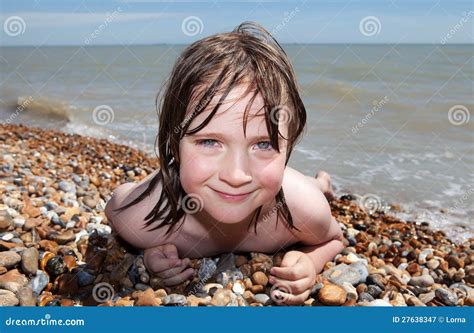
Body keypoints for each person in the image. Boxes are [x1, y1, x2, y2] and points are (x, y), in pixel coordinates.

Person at [105, 22, 344, 305]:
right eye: (209, 142)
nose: (236, 175)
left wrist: (310, 261)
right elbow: (114, 205)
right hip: (172, 185)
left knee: (313, 187)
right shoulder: (139, 219)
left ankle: (322, 181)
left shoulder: (302, 208)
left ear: (289, 145)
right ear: (175, 144)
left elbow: (334, 239)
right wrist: (148, 252)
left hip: (290, 188)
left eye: (263, 144)